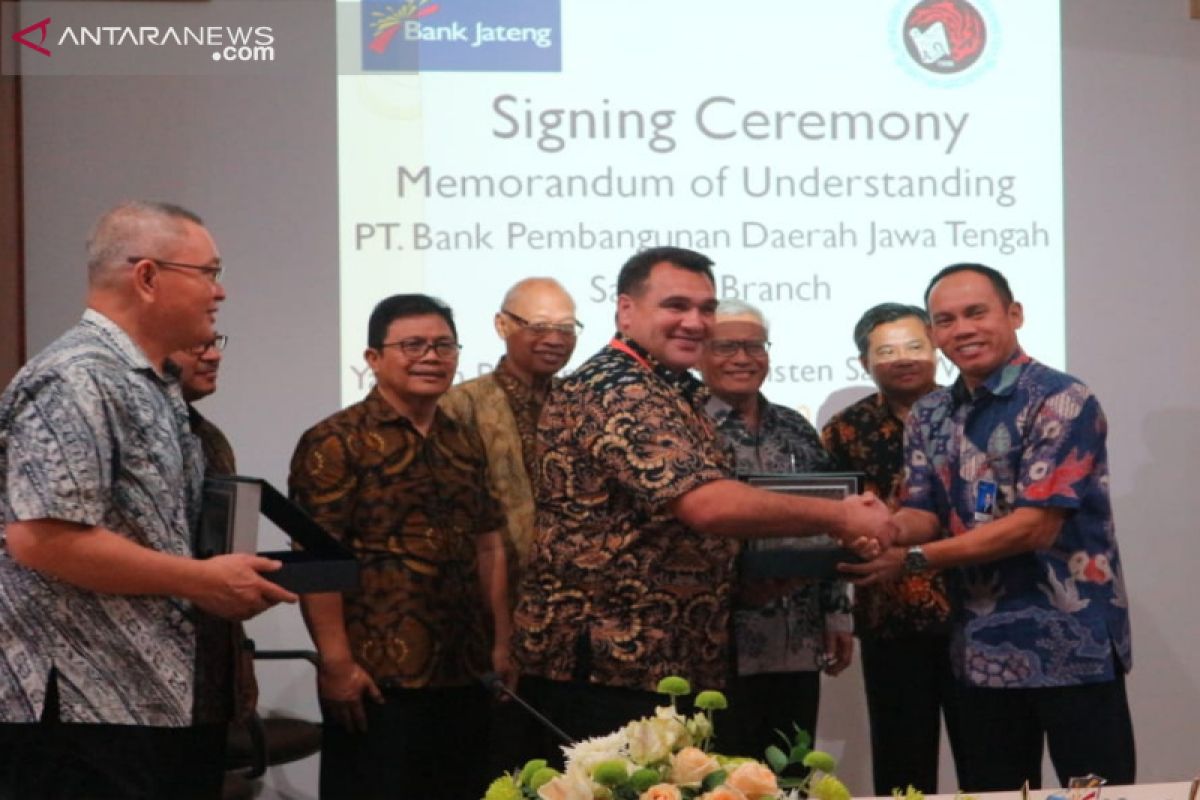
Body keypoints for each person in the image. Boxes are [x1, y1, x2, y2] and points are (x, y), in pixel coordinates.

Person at [511, 247, 895, 754]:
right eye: (676, 305)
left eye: (705, 308)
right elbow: (704, 504)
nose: (695, 321)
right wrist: (838, 515)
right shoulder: (619, 388)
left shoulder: (672, 389)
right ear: (626, 310)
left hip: (672, 660)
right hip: (610, 664)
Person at [0, 201, 296, 799]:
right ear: (148, 277)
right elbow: (40, 537)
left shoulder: (150, 383)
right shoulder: (78, 378)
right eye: (208, 273)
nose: (221, 292)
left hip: (150, 699)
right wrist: (199, 580)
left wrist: (220, 580)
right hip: (85, 710)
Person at [843, 264, 1135, 790]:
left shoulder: (1061, 399)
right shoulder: (929, 413)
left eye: (976, 313)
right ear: (934, 334)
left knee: (1098, 793)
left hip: (1073, 646)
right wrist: (881, 525)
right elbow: (925, 512)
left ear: (1014, 314)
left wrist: (911, 559)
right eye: (946, 319)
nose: (963, 329)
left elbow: (1034, 527)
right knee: (992, 792)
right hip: (979, 652)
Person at [289, 294, 513, 800]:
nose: (431, 357)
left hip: (465, 672)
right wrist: (337, 663)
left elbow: (487, 543)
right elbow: (316, 559)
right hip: (378, 679)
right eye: (413, 345)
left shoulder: (464, 439)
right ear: (373, 358)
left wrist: (500, 641)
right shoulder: (334, 440)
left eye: (443, 345)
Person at [698, 299, 853, 759]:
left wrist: (837, 614)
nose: (742, 358)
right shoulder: (685, 427)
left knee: (791, 775)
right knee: (718, 779)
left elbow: (833, 518)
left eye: (754, 346)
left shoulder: (796, 427)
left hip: (796, 640)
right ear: (701, 352)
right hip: (714, 646)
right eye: (726, 346)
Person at [821, 303, 963, 795]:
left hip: (977, 614)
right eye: (886, 351)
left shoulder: (973, 415)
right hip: (890, 615)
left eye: (915, 347)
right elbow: (830, 520)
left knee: (990, 763)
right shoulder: (843, 430)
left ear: (936, 351)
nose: (903, 359)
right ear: (864, 362)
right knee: (902, 766)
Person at [440, 277, 580, 600]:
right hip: (486, 591)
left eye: (566, 329)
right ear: (502, 325)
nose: (555, 340)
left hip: (572, 598)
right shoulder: (459, 405)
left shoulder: (582, 404)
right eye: (540, 326)